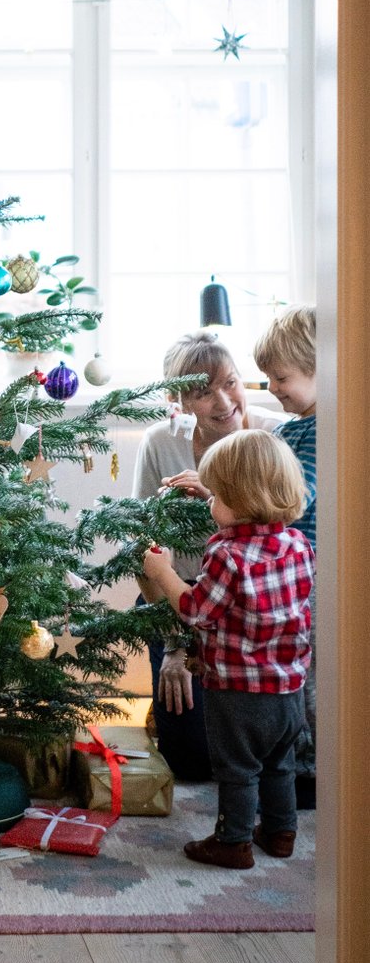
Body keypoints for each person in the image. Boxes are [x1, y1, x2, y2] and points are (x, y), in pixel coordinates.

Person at [142, 428, 313, 869]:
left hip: (238, 694)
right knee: (279, 764)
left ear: (236, 499)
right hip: (289, 689)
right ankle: (280, 833)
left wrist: (163, 573)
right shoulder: (298, 545)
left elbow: (196, 609)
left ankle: (232, 841)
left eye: (215, 495)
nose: (210, 501)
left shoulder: (226, 555)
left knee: (237, 770)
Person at [133, 330, 283, 781]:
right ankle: (171, 706)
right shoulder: (161, 443)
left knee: (248, 755)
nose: (224, 401)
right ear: (178, 401)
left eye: (231, 382)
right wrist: (176, 648)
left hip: (250, 610)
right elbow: (143, 550)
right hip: (180, 601)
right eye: (203, 392)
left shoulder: (272, 434)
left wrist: (216, 498)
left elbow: (285, 540)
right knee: (193, 764)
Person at [254, 305, 317, 809]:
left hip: (312, 582)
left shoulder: (324, 431)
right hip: (288, 581)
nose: (272, 388)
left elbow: (299, 498)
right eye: (267, 378)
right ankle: (295, 764)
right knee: (292, 679)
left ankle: (315, 772)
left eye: (282, 377)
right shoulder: (287, 432)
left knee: (312, 683)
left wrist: (236, 496)